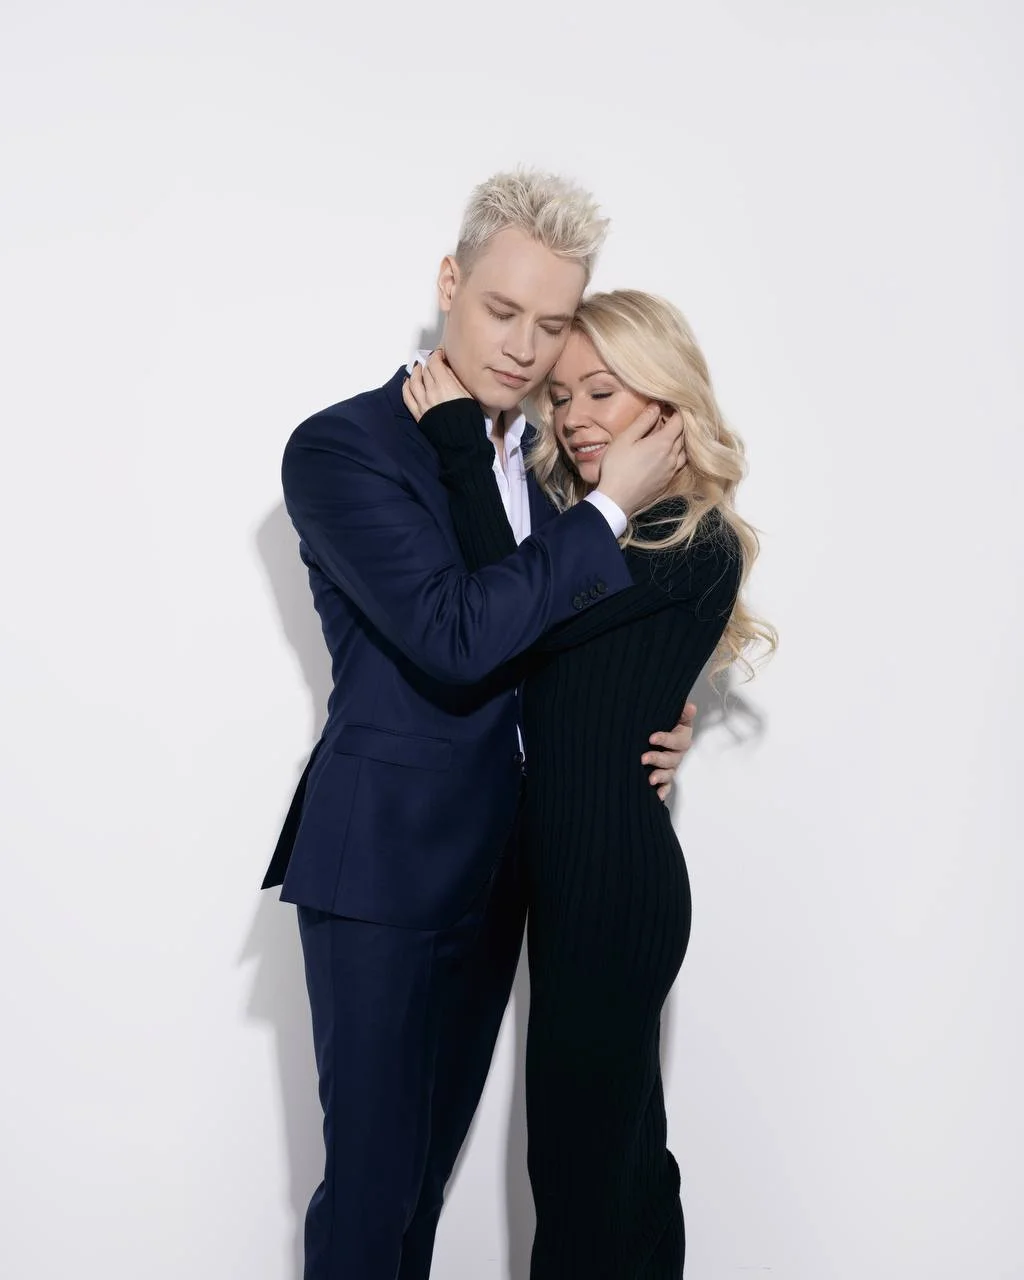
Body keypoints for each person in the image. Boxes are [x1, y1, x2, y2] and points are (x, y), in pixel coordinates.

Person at [262, 172, 698, 1280]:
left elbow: (549, 643)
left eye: (551, 324)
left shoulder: (544, 466)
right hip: (386, 863)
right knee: (371, 1193)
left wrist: (654, 709)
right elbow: (456, 634)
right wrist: (609, 509)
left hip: (507, 868)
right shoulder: (343, 449)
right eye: (502, 311)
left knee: (423, 1188)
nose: (524, 347)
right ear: (449, 282)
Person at [403, 288, 777, 1278]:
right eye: (560, 397)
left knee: (588, 1169)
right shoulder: (591, 532)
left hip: (614, 884)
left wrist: (457, 440)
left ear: (665, 401)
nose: (571, 417)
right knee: (605, 1160)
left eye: (601, 391)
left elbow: (512, 619)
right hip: (569, 876)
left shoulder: (692, 537)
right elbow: (546, 666)